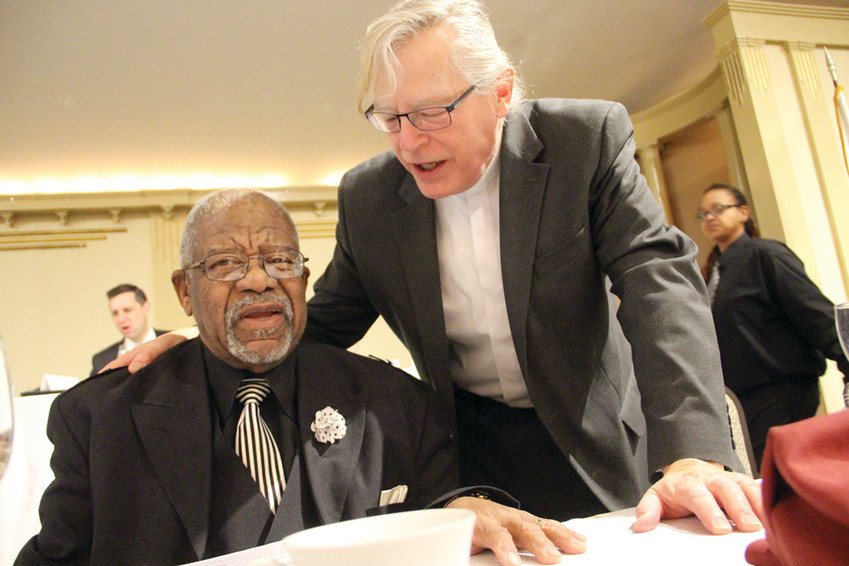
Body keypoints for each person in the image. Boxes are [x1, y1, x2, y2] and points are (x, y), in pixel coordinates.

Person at [111, 0, 763, 539]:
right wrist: (209, 352)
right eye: (388, 117)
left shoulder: (582, 142)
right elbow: (328, 320)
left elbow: (658, 283)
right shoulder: (368, 195)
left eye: (429, 113)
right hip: (470, 453)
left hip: (600, 436)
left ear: (501, 91)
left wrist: (693, 453)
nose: (407, 141)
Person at [16, 189, 586, 566]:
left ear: (305, 279)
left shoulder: (396, 403)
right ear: (185, 293)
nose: (258, 280)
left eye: (281, 260)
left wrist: (466, 505)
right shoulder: (102, 417)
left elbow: (445, 505)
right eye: (226, 264)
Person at [698, 183, 849, 467]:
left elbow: (814, 312)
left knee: (777, 480)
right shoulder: (712, 272)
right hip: (739, 401)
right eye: (703, 214)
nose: (709, 217)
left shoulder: (764, 254)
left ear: (743, 212)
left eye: (718, 209)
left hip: (780, 393)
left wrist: (847, 363)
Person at [90, 284, 167, 375]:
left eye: (127, 310)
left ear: (146, 308)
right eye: (115, 313)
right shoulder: (102, 360)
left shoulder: (176, 341)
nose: (121, 319)